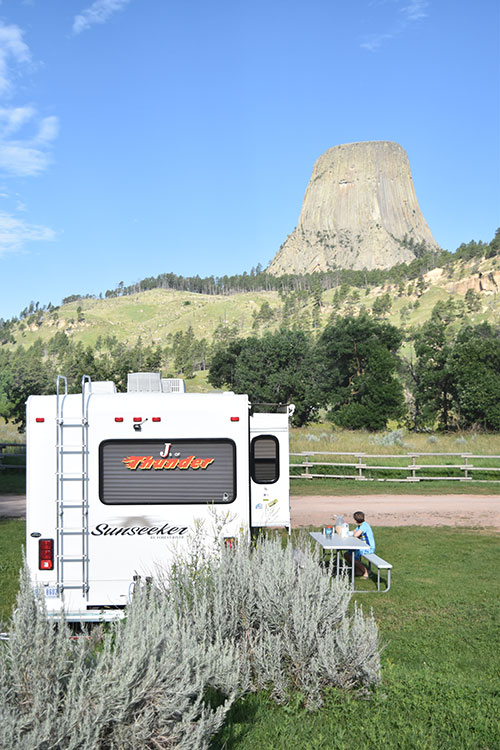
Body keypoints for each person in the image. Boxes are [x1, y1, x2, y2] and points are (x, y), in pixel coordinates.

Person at [344, 510, 375, 579]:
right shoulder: (360, 526)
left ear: (355, 520)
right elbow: (354, 531)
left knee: (352, 556)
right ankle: (358, 570)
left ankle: (365, 571)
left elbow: (356, 535)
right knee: (347, 554)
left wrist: (353, 534)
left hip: (368, 548)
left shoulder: (364, 526)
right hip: (362, 546)